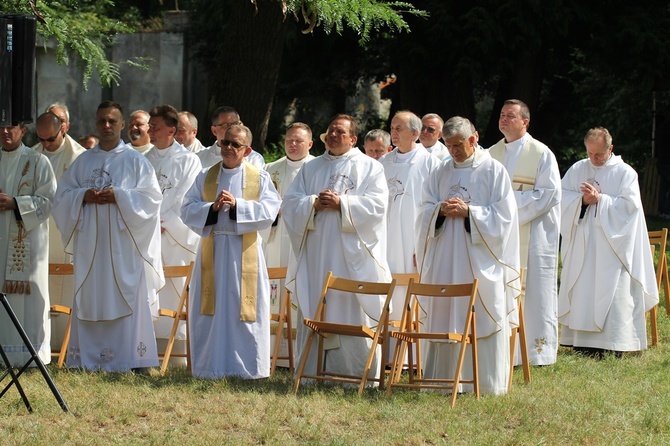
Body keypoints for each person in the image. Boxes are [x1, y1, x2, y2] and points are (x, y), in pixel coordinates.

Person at [53, 101, 164, 372]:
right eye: (102, 120)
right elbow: (61, 198)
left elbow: (151, 200)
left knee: (126, 294)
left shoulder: (136, 161)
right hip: (90, 247)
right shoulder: (83, 161)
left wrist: (119, 196)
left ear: (122, 125)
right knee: (90, 296)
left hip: (123, 248)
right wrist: (83, 196)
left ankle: (132, 360)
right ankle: (86, 359)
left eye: (112, 121)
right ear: (95, 123)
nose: (106, 126)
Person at [283, 114, 391, 383]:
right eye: (330, 131)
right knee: (316, 301)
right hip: (317, 253)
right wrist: (312, 204)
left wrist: (343, 203)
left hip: (350, 255)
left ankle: (351, 374)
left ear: (353, 139)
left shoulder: (370, 167)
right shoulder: (311, 168)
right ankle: (311, 373)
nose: (332, 135)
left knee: (347, 304)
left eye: (339, 132)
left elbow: (378, 207)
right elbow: (290, 203)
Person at [417, 116, 520, 395]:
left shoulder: (494, 171)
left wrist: (470, 213)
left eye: (458, 145)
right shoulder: (440, 171)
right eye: (448, 145)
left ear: (473, 139)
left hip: (478, 259)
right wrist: (438, 210)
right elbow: (423, 208)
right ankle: (441, 382)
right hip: (445, 257)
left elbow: (505, 218)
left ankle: (485, 383)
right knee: (445, 310)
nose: (453, 151)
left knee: (482, 311)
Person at [181, 124, 280, 379]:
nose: (228, 148)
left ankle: (247, 369)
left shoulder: (259, 177)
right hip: (212, 249)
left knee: (243, 309)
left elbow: (270, 211)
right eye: (225, 143)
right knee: (211, 311)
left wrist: (238, 206)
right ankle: (209, 367)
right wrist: (211, 209)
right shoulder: (205, 175)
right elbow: (186, 209)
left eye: (236, 145)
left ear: (246, 150)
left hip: (244, 251)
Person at [559, 127, 658, 355]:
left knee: (614, 291)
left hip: (613, 246)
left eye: (599, 154)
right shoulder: (577, 169)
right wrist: (581, 201)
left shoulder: (625, 173)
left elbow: (629, 209)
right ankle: (581, 342)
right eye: (590, 153)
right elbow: (562, 198)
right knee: (583, 287)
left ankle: (615, 343)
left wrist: (600, 200)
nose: (593, 159)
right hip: (583, 243)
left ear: (610, 149)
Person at [488, 99, 561, 366]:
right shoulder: (489, 154)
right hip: (499, 237)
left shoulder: (541, 154)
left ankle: (534, 352)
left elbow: (549, 195)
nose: (504, 119)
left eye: (510, 115)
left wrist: (507, 208)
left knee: (534, 294)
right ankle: (502, 347)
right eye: (502, 115)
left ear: (525, 122)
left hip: (532, 238)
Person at [145, 105, 202, 360]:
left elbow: (185, 198)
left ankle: (177, 355)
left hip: (172, 237)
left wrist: (161, 221)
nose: (150, 131)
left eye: (155, 127)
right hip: (146, 237)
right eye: (150, 126)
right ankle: (145, 348)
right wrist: (146, 222)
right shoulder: (143, 159)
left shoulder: (189, 160)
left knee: (173, 291)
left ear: (172, 130)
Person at [381, 111, 440, 353]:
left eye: (399, 128)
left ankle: (413, 356)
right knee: (387, 288)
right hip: (385, 238)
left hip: (414, 240)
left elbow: (435, 206)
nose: (393, 132)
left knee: (412, 293)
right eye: (392, 127)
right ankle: (386, 351)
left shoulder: (431, 163)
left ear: (415, 133)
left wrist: (424, 245)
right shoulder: (382, 163)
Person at [0, 122, 56, 365]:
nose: (4, 132)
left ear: (22, 131)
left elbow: (47, 202)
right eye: (0, 127)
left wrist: (15, 203)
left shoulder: (38, 162)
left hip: (26, 246)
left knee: (26, 300)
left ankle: (29, 354)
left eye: (10, 127)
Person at [33, 111, 87, 354]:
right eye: (41, 139)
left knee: (66, 286)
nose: (45, 144)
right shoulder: (32, 156)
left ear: (63, 129)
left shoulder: (80, 157)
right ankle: (41, 343)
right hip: (38, 233)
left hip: (67, 232)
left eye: (50, 139)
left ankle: (65, 347)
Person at [261, 122, 314, 364]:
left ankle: (295, 353)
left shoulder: (315, 169)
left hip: (300, 241)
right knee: (273, 290)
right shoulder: (270, 168)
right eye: (289, 140)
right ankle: (271, 352)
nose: (293, 145)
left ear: (310, 144)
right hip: (273, 239)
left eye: (298, 141)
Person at [196, 106, 265, 169]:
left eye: (235, 124)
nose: (232, 128)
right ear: (214, 130)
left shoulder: (253, 159)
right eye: (227, 125)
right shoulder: (199, 158)